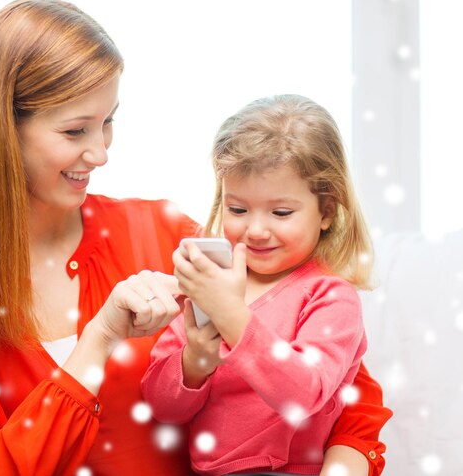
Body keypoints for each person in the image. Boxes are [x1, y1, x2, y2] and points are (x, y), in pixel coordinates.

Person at [0, 0, 391, 476]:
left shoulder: (163, 232)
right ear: (1, 130)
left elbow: (339, 386)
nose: (101, 152)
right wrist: (98, 340)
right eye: (75, 131)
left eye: (108, 122)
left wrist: (343, 464)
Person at [141, 94, 391, 476]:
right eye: (238, 209)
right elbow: (163, 408)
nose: (255, 230)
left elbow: (303, 393)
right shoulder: (214, 281)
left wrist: (233, 316)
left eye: (281, 212)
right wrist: (194, 362)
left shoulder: (329, 297)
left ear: (326, 211)